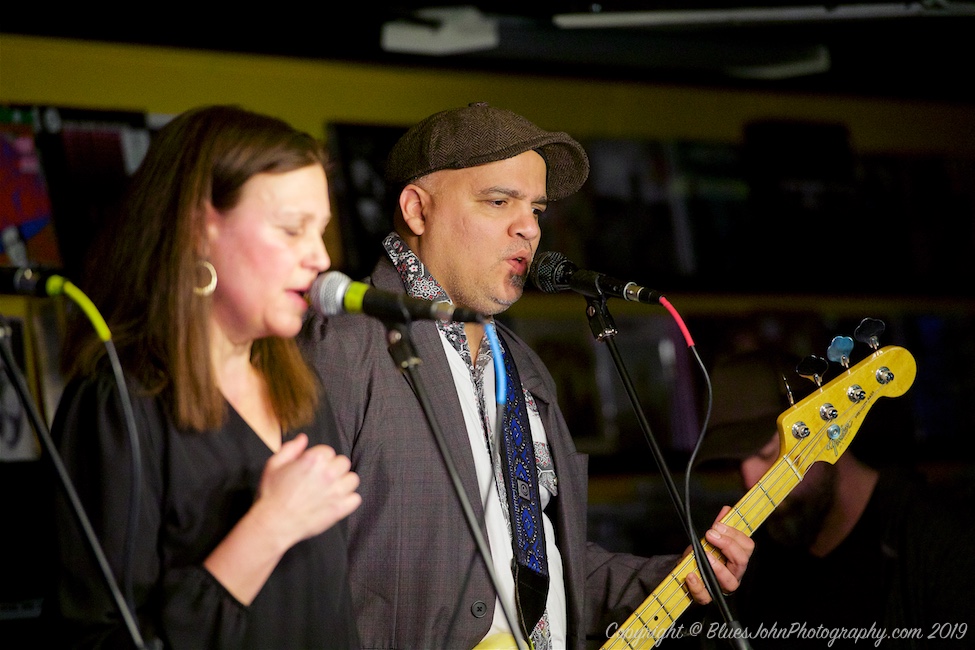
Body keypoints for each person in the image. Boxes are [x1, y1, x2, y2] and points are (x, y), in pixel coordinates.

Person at [298, 102, 753, 650]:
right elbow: (293, 573)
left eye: (536, 209)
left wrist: (668, 577)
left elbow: (541, 563)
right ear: (417, 210)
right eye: (499, 202)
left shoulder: (523, 364)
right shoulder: (342, 345)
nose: (530, 228)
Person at [45, 105, 362, 648]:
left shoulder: (302, 391)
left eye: (322, 232)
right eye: (292, 230)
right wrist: (268, 528)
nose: (319, 258)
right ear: (199, 229)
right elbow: (98, 639)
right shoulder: (116, 403)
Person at [695, 347, 975, 649]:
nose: (750, 482)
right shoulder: (756, 561)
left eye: (768, 454)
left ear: (829, 426)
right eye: (734, 464)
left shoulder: (941, 542)